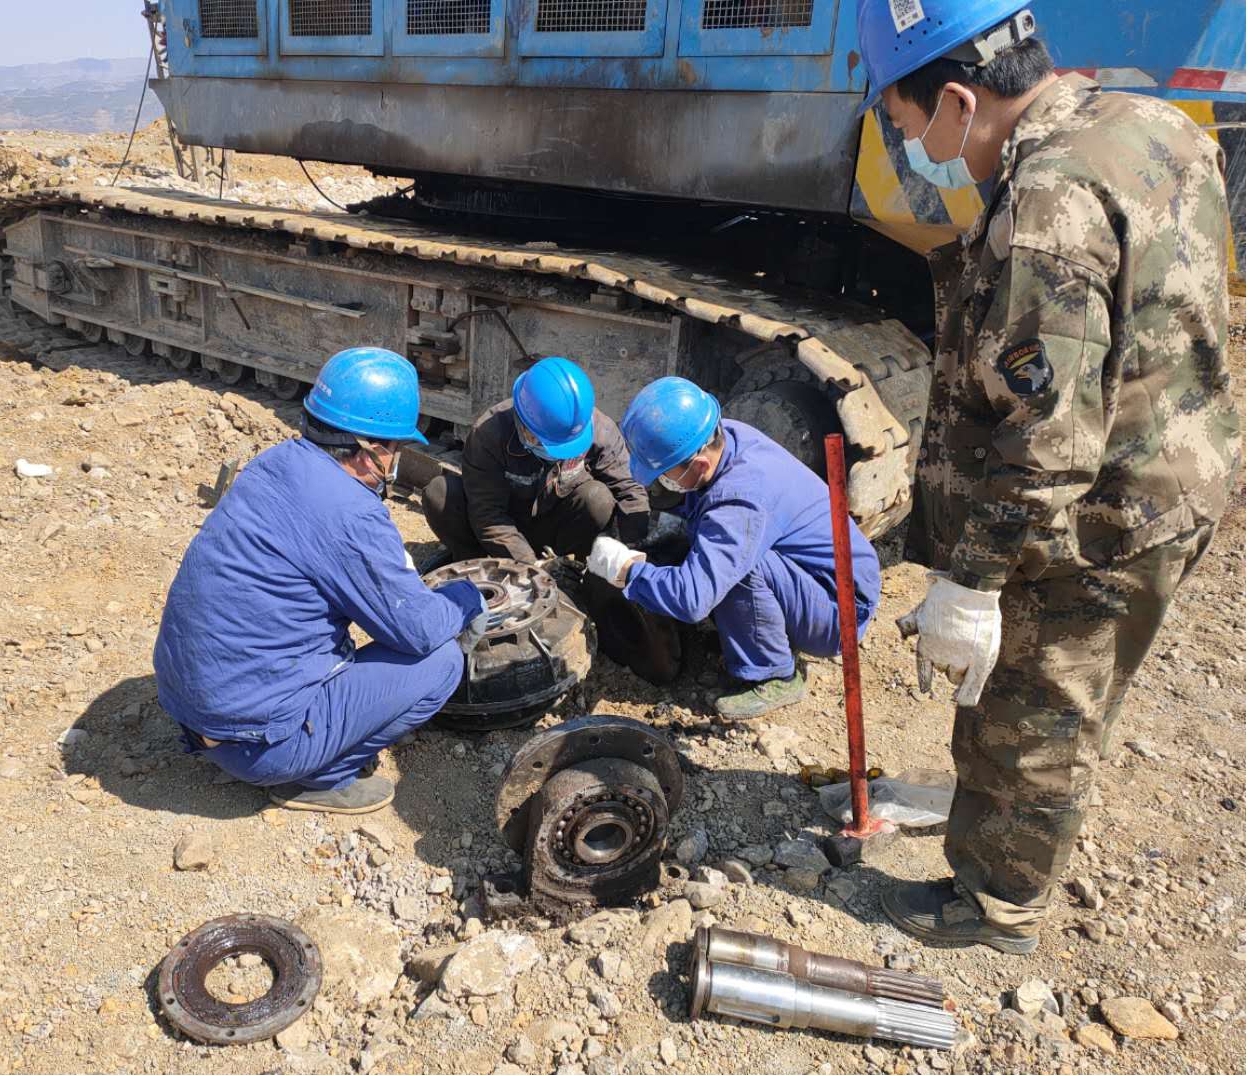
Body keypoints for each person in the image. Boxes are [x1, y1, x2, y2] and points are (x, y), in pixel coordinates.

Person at [856, 0, 1239, 952]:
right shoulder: (1144, 121)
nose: (915, 148)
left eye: (906, 125)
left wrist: (973, 583)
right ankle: (1019, 848)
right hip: (1177, 463)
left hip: (1103, 513)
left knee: (1029, 714)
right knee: (1068, 696)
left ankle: (995, 906)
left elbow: (1048, 441)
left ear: (957, 99)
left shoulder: (1044, 205)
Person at [153, 347, 488, 814]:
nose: (397, 459)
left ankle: (285, 743)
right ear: (370, 451)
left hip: (194, 710)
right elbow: (417, 629)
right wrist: (465, 599)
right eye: (396, 447)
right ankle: (319, 779)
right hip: (256, 746)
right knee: (441, 661)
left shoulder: (275, 463)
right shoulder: (349, 513)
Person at [585, 376, 882, 720]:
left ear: (699, 464)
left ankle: (775, 675)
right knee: (716, 554)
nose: (658, 483)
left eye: (665, 474)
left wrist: (628, 571)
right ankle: (762, 628)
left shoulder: (738, 503)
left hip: (841, 609)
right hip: (821, 574)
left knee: (737, 568)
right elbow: (704, 504)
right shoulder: (727, 437)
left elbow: (692, 601)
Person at [422, 356, 649, 565]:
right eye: (543, 442)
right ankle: (476, 565)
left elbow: (629, 489)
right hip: (503, 526)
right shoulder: (489, 434)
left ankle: (578, 569)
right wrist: (532, 568)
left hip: (554, 526)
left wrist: (633, 553)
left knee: (597, 498)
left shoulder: (597, 429)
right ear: (522, 422)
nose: (554, 453)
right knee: (440, 493)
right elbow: (488, 514)